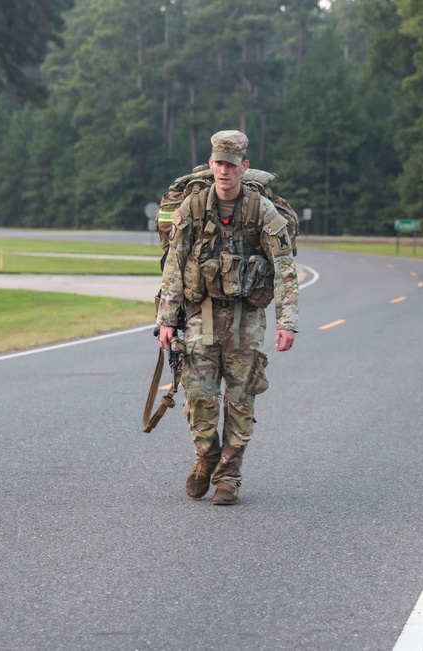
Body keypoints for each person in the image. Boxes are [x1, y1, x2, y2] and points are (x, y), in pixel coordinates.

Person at [156, 130, 299, 506]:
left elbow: (284, 267)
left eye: (231, 165)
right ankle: (206, 457)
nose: (224, 171)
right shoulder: (193, 208)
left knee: (240, 401)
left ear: (243, 167)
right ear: (211, 163)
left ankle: (229, 478)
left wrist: (287, 322)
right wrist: (167, 318)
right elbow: (174, 264)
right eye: (218, 163)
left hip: (245, 318)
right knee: (200, 396)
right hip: (199, 315)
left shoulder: (260, 211)